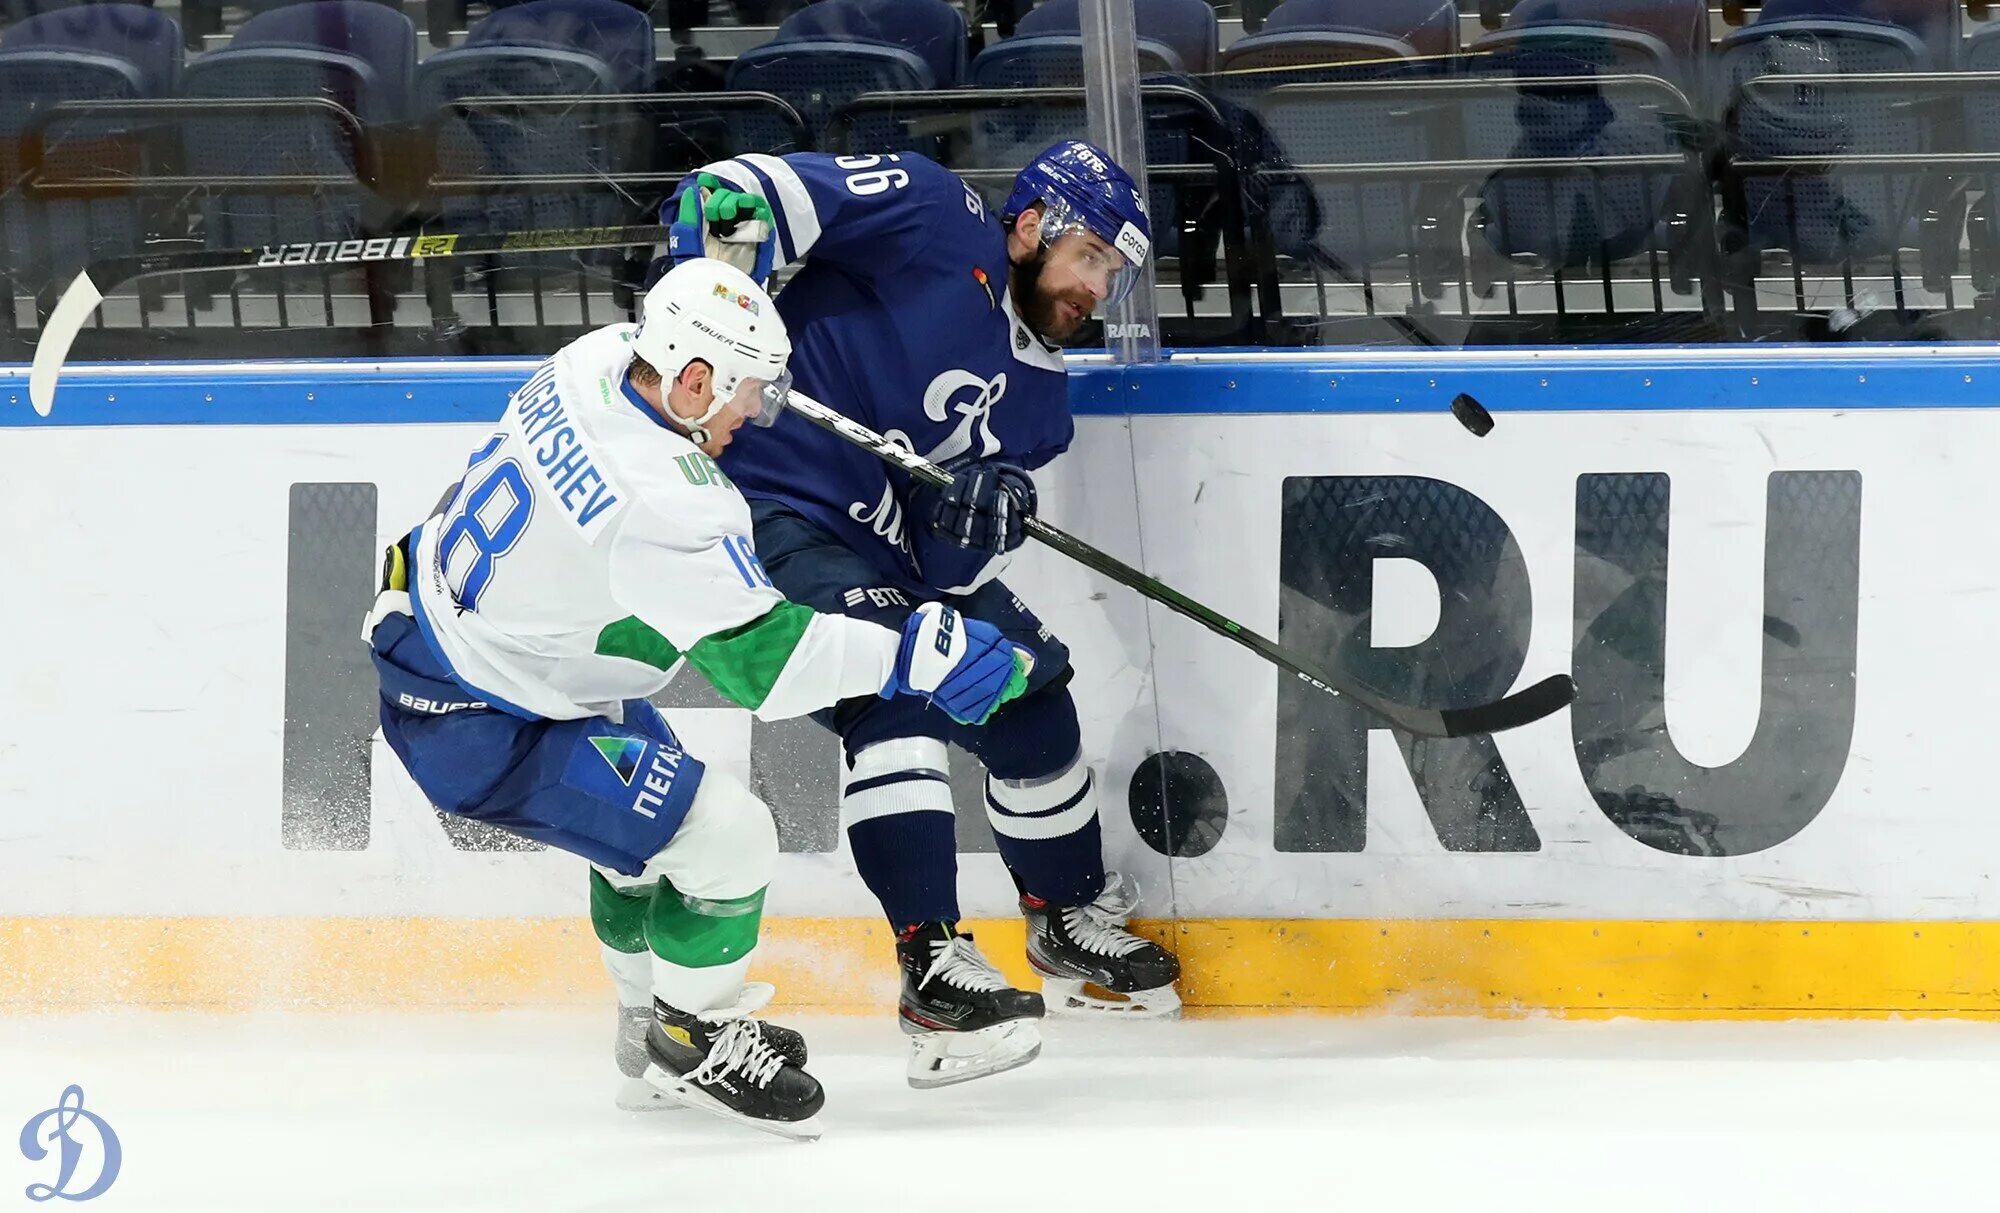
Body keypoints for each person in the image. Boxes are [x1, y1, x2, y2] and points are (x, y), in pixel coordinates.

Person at [364, 258, 1035, 1139]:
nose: (750, 418)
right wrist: (919, 655)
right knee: (729, 838)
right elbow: (773, 668)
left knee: (641, 848)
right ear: (692, 380)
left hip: (463, 637)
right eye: (746, 395)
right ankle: (695, 1034)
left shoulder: (596, 357)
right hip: (482, 718)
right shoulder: (668, 503)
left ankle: (643, 1040)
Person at [656, 140, 1184, 1090]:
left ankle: (1062, 921)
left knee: (1034, 698)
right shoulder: (932, 216)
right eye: (1093, 259)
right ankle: (932, 972)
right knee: (894, 686)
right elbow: (738, 193)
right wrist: (716, 296)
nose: (1098, 292)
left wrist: (974, 513)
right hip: (768, 510)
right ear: (1033, 227)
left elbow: (943, 573)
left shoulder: (1043, 409)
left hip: (886, 556)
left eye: (1112, 276)